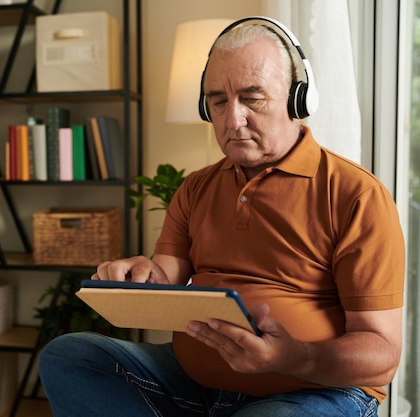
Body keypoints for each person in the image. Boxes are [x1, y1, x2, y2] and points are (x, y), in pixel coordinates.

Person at [39, 16, 405, 417]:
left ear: (298, 99)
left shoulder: (356, 194)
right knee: (71, 356)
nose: (233, 120)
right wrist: (140, 274)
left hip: (311, 391)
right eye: (217, 101)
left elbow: (382, 354)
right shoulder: (196, 188)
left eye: (253, 97)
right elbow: (165, 278)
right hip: (195, 384)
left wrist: (295, 357)